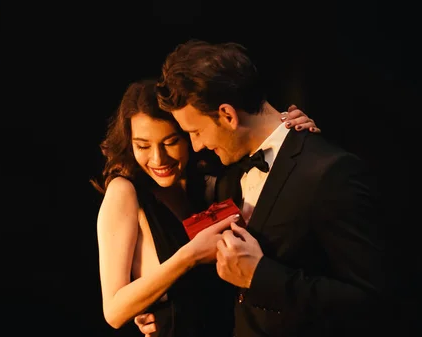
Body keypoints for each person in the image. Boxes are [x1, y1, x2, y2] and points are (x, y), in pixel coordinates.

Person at [134, 40, 387, 337]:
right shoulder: (226, 174)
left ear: (228, 115)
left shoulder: (330, 173)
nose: (197, 146)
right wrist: (168, 314)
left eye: (196, 132)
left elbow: (374, 301)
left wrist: (261, 276)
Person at [91, 78, 320, 337]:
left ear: (190, 135)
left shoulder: (212, 183)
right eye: (142, 146)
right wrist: (190, 255)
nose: (157, 158)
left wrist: (293, 135)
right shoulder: (124, 192)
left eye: (170, 142)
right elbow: (113, 312)